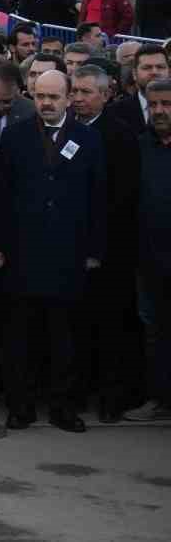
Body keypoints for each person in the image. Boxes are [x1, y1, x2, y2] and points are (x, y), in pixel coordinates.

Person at [0, 69, 106, 432]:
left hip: (68, 255)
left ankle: (63, 407)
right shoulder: (15, 137)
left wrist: (94, 249)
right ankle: (20, 406)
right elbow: (0, 196)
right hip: (22, 255)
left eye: (54, 97)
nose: (46, 103)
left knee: (65, 339)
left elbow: (98, 197)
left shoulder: (88, 139)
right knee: (19, 339)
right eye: (40, 96)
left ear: (68, 97)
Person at [124, 79, 171, 421]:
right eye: (153, 104)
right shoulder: (139, 147)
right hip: (150, 260)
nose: (159, 111)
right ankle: (159, 400)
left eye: (166, 104)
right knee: (155, 332)